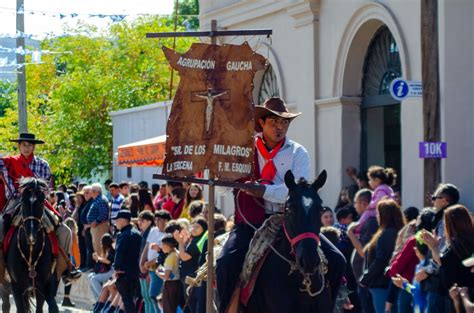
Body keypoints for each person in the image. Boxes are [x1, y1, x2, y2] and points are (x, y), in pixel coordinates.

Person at [216, 97, 346, 313]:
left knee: (338, 260)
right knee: (225, 264)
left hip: (291, 221)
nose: (280, 127)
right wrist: (219, 170)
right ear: (261, 123)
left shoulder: (297, 152)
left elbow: (297, 190)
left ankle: (330, 307)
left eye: (284, 123)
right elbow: (221, 189)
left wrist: (263, 190)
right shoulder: (242, 150)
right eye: (274, 122)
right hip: (251, 224)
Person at [0, 132, 79, 282]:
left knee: (65, 231)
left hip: (37, 203)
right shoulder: (7, 162)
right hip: (15, 201)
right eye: (23, 145)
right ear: (19, 146)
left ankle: (66, 269)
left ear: (34, 146)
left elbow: (47, 189)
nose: (26, 148)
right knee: (0, 225)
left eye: (29, 145)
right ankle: (2, 266)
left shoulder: (43, 165)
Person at [359, 199, 405, 313]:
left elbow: (381, 260)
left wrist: (365, 278)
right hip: (387, 284)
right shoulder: (397, 232)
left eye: (379, 213)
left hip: (382, 284)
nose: (377, 216)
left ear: (385, 215)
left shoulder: (387, 234)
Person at [347, 188, 377, 313]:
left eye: (356, 202)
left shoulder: (370, 223)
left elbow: (363, 252)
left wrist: (350, 233)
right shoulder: (365, 222)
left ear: (364, 203)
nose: (354, 206)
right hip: (362, 279)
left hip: (366, 280)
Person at [113, 210, 142, 313]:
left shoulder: (124, 235)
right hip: (136, 272)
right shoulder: (137, 234)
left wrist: (117, 268)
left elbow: (120, 253)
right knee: (135, 300)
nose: (115, 223)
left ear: (123, 220)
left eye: (117, 220)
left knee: (127, 300)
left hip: (124, 273)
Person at [88, 233, 115, 301]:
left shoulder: (112, 251)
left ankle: (103, 299)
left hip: (112, 271)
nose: (100, 243)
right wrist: (97, 258)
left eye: (101, 241)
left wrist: (98, 258)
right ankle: (97, 300)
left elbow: (109, 262)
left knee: (94, 279)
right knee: (90, 276)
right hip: (107, 270)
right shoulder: (106, 250)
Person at [87, 183, 110, 254]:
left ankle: (101, 264)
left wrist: (96, 222)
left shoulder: (100, 200)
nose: (90, 192)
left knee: (99, 247)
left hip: (100, 226)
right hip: (96, 227)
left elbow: (103, 214)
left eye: (91, 190)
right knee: (96, 247)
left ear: (95, 191)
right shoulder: (98, 199)